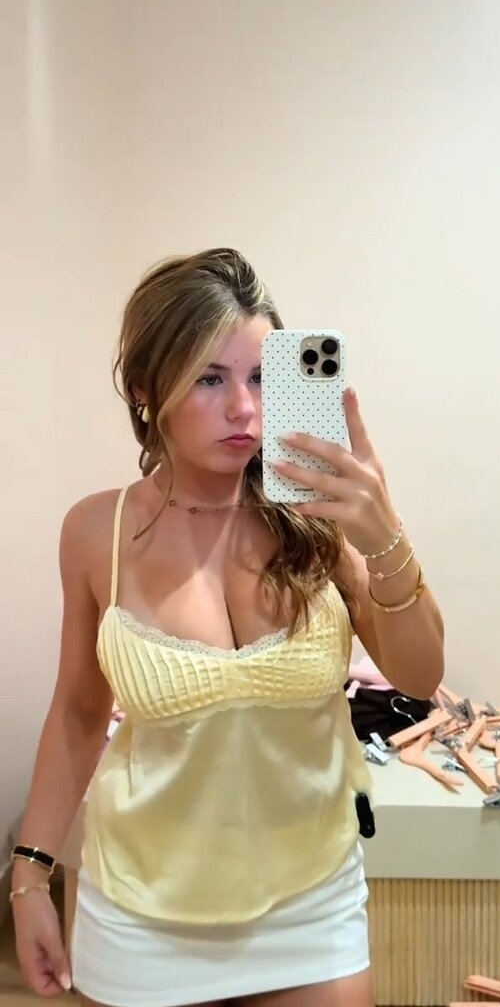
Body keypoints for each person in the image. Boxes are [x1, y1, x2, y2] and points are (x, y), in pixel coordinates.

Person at [11, 248, 445, 1007]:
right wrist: (29, 876)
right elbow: (79, 712)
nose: (245, 409)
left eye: (262, 378)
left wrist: (383, 535)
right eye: (210, 379)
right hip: (141, 909)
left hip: (312, 900)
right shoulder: (95, 532)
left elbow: (420, 675)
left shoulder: (319, 520)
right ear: (147, 389)